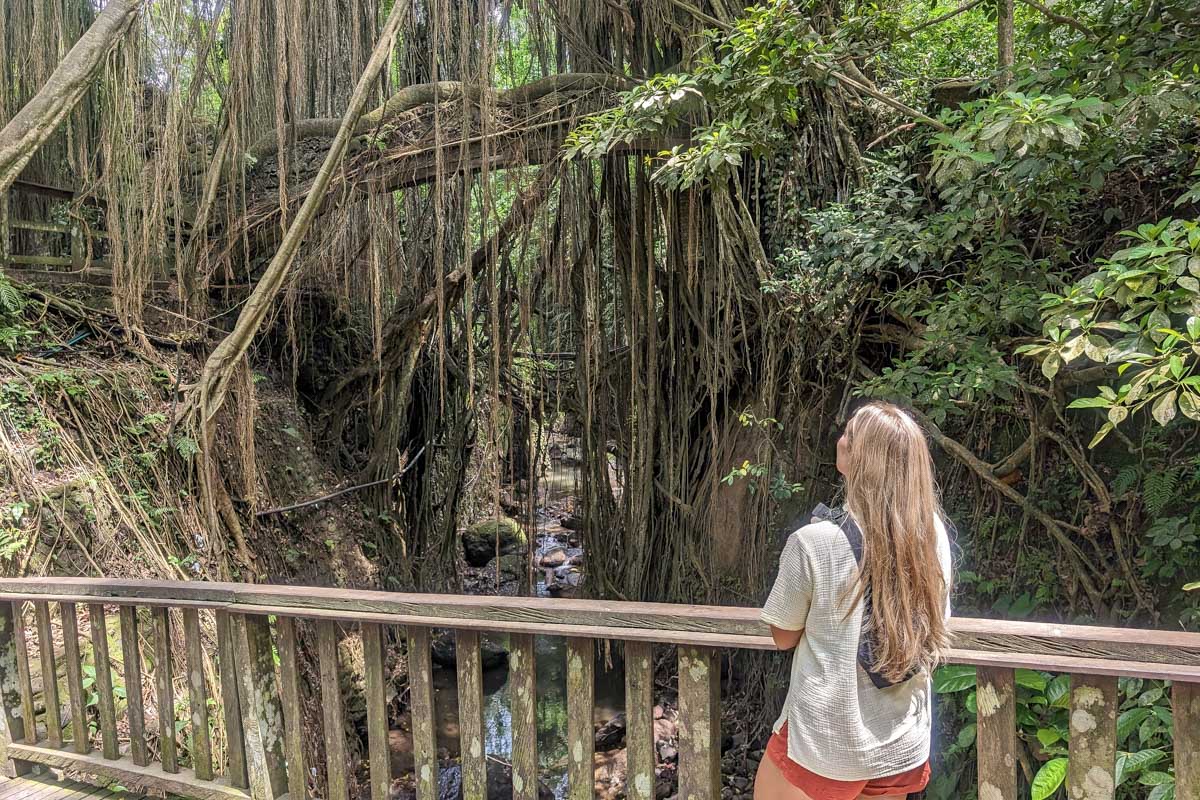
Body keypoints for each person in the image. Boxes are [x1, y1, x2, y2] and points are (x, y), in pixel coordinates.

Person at [754, 402, 954, 800]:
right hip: (899, 741)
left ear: (862, 458)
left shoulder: (813, 542)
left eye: (848, 434)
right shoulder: (931, 533)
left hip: (826, 740)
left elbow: (783, 635)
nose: (840, 439)